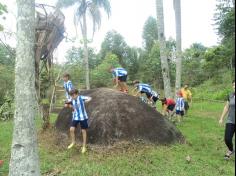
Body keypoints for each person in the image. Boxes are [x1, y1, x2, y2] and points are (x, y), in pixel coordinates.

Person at [67, 89, 92, 154]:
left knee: (83, 131)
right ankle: (73, 142)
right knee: (71, 129)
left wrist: (87, 101)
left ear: (77, 94)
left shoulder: (81, 97)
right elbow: (67, 104)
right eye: (71, 96)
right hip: (75, 117)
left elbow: (90, 98)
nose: (72, 97)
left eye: (73, 95)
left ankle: (84, 146)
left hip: (83, 117)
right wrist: (69, 106)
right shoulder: (71, 99)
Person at [219, 80, 235, 160]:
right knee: (227, 139)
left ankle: (228, 152)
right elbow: (226, 107)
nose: (235, 86)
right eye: (234, 85)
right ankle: (231, 150)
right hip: (230, 120)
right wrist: (222, 118)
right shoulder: (230, 95)